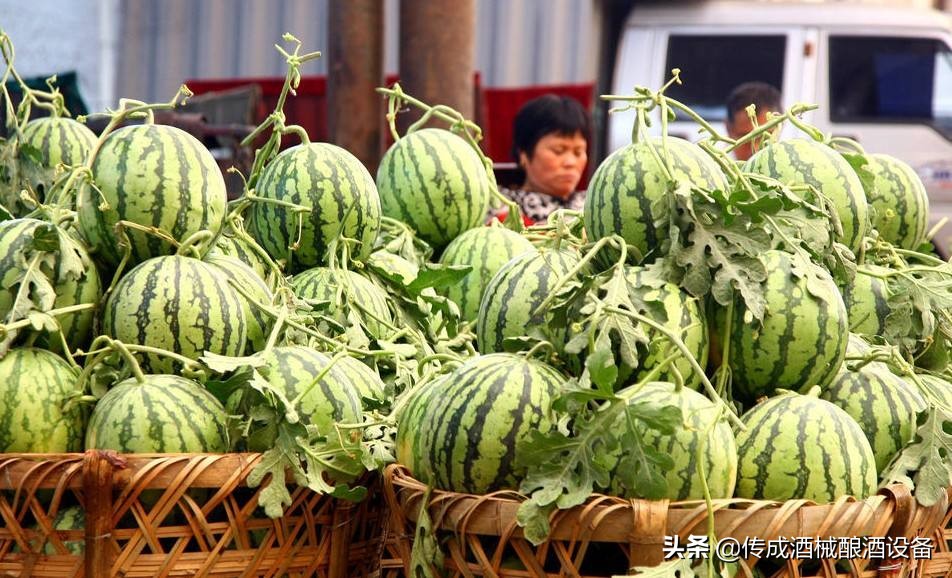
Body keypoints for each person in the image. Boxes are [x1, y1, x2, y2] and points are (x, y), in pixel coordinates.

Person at [494, 94, 592, 224]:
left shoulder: (595, 205)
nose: (571, 162)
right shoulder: (501, 208)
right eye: (558, 151)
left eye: (578, 152)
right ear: (523, 153)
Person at [725, 82, 783, 162]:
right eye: (747, 138)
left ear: (780, 126)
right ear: (728, 128)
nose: (755, 150)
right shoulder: (714, 169)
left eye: (766, 137)